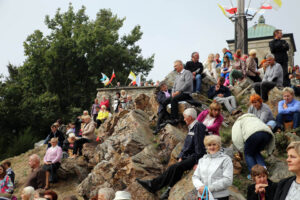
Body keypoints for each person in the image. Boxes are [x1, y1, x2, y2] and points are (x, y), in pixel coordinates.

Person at [136, 108, 207, 199]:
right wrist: (181, 156)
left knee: (176, 167)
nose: (184, 119)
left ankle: (153, 185)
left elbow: (199, 145)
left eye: (185, 117)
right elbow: (187, 145)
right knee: (174, 168)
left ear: (190, 117)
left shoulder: (198, 126)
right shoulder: (192, 127)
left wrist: (198, 161)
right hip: (190, 155)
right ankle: (167, 189)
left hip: (196, 156)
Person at [232, 113, 275, 178]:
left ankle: (254, 175)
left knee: (248, 154)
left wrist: (241, 149)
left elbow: (236, 137)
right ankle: (264, 171)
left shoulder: (239, 122)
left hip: (253, 135)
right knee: (256, 152)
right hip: (267, 134)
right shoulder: (254, 118)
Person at [192, 135, 233, 200]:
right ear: (206, 146)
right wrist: (201, 187)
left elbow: (228, 180)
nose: (212, 147)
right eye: (209, 145)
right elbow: (195, 177)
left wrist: (208, 189)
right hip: (203, 196)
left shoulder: (226, 159)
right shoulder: (202, 160)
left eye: (214, 144)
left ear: (219, 145)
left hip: (220, 196)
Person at [169, 60, 193, 124]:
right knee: (165, 101)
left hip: (185, 93)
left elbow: (188, 83)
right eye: (174, 66)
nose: (175, 68)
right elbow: (174, 86)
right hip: (177, 94)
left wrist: (179, 91)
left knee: (174, 99)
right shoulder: (177, 75)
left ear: (181, 65)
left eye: (176, 66)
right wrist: (172, 93)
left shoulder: (187, 72)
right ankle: (167, 118)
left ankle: (175, 119)